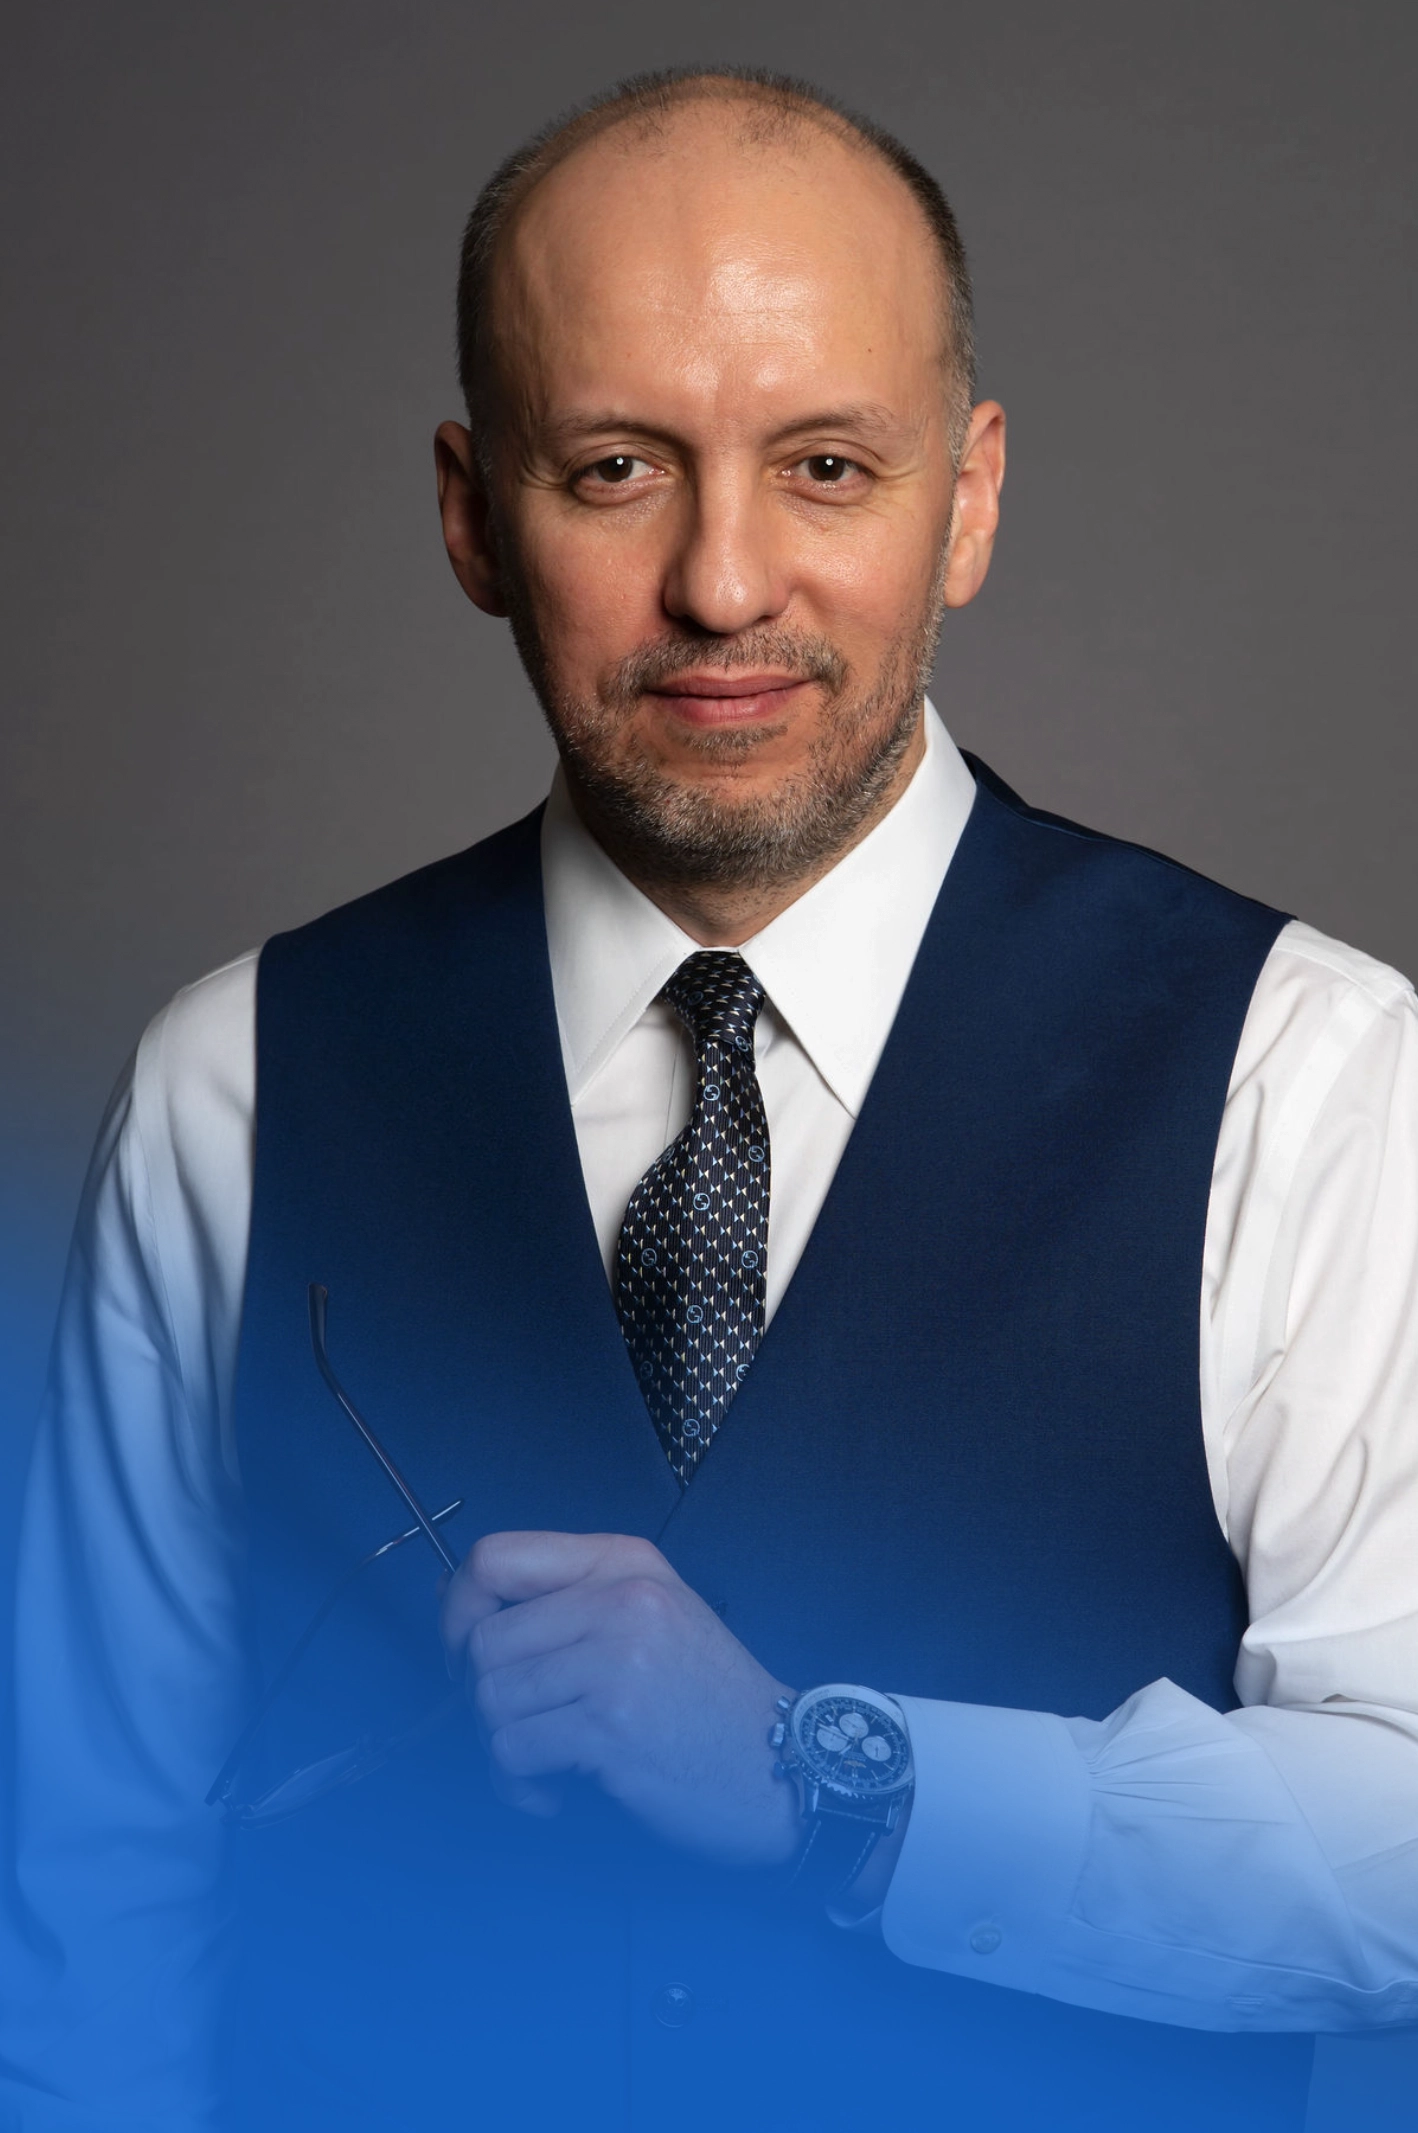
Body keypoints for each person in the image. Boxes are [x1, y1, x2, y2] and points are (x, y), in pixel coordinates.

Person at [5, 64, 1418, 2133]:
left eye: (828, 464)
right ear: (472, 514)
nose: (725, 584)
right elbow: (82, 1908)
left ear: (974, 495)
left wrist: (837, 1785)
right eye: (613, 469)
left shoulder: (1311, 1072)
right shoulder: (229, 1088)